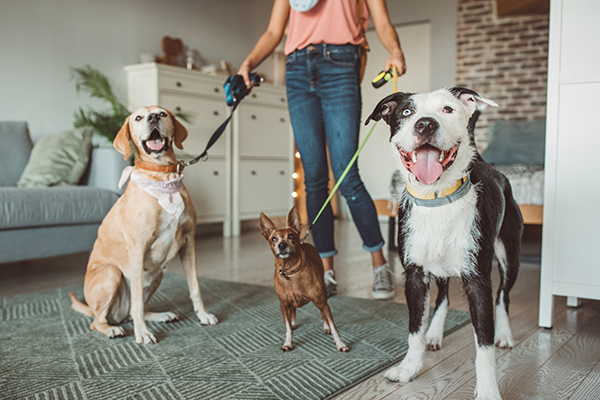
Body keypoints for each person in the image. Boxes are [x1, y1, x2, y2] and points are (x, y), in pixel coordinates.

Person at [238, 0, 407, 300]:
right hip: (297, 69)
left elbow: (381, 22)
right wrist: (248, 63)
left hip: (341, 62)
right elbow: (274, 31)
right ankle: (326, 270)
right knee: (313, 179)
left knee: (346, 176)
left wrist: (394, 50)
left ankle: (379, 265)